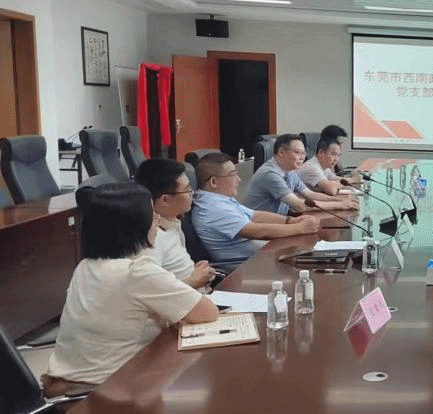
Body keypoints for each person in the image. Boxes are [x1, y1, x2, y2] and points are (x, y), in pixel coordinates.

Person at [41, 183, 219, 396]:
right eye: (152, 216)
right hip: (100, 390)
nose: (158, 221)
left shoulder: (85, 266)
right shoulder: (137, 272)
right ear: (134, 227)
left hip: (62, 383)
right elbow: (208, 313)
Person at [192, 152, 322, 265]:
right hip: (244, 267)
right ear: (214, 182)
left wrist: (291, 221)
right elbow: (256, 231)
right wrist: (300, 228)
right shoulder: (213, 208)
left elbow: (255, 215)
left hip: (261, 257)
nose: (239, 179)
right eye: (233, 175)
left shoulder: (219, 199)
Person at [134, 158, 214, 288]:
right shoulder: (152, 237)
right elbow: (149, 290)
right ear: (165, 200)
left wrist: (194, 270)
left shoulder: (172, 223)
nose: (192, 194)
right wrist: (193, 281)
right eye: (188, 189)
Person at [244, 133, 359, 215]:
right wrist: (340, 205)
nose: (302, 158)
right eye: (298, 153)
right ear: (281, 152)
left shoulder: (290, 171)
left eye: (303, 153)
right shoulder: (270, 174)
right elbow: (300, 206)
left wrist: (339, 201)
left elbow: (310, 195)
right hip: (258, 231)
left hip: (277, 222)